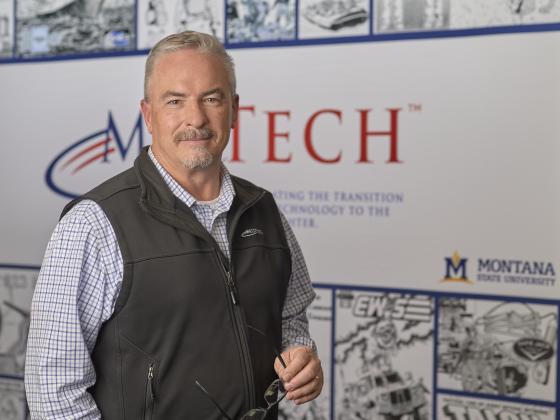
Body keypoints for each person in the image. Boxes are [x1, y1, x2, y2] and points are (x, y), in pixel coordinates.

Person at [25, 30, 323, 419]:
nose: (195, 118)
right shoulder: (94, 224)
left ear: (234, 109)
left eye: (211, 99)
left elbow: (290, 318)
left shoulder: (264, 211)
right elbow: (52, 389)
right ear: (149, 114)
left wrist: (301, 357)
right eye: (175, 101)